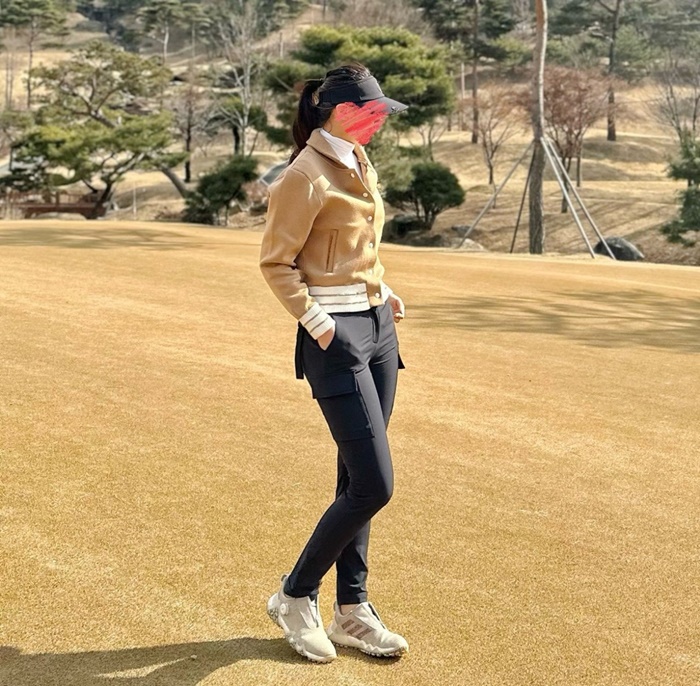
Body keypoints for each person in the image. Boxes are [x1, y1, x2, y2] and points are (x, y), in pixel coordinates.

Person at [259, 63, 409, 664]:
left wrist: (382, 290)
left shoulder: (357, 159)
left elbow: (355, 246)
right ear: (343, 111)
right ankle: (295, 595)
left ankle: (353, 608)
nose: (380, 122)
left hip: (379, 331)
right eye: (373, 112)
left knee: (354, 480)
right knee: (375, 484)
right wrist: (323, 326)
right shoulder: (303, 175)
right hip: (336, 338)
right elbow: (277, 263)